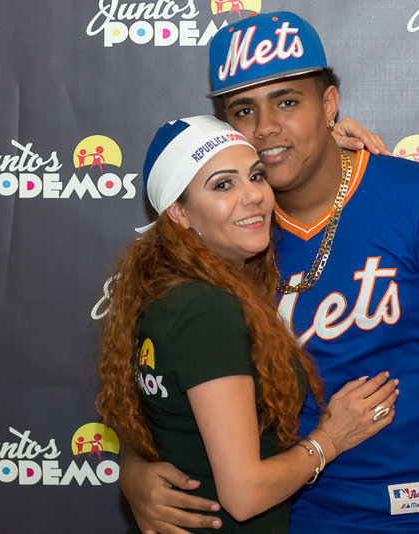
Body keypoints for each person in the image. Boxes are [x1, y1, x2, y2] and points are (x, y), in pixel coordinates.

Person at [120, 11, 419, 534]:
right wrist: (133, 468)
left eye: (287, 102)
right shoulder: (232, 231)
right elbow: (165, 378)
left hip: (410, 513)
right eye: (243, 110)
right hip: (278, 514)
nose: (265, 127)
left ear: (328, 105)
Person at [98, 115, 399, 533]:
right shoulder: (205, 308)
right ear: (179, 213)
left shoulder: (169, 290)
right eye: (223, 185)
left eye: (256, 176)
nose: (253, 195)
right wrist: (331, 438)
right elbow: (244, 495)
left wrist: (320, 141)